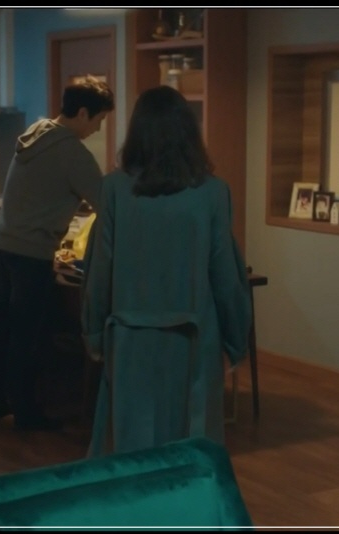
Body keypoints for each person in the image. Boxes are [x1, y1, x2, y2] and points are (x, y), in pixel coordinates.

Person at [81, 85, 252, 458]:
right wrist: (236, 342)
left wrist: (94, 335)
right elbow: (226, 277)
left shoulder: (114, 190)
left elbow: (99, 270)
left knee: (129, 453)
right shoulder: (212, 193)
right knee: (189, 455)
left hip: (129, 342)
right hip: (194, 344)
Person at [0, 75, 115, 432]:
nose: (98, 128)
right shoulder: (72, 152)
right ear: (83, 113)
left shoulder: (36, 132)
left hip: (3, 242)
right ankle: (26, 413)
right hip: (31, 250)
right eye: (100, 119)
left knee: (3, 326)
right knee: (28, 334)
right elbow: (106, 203)